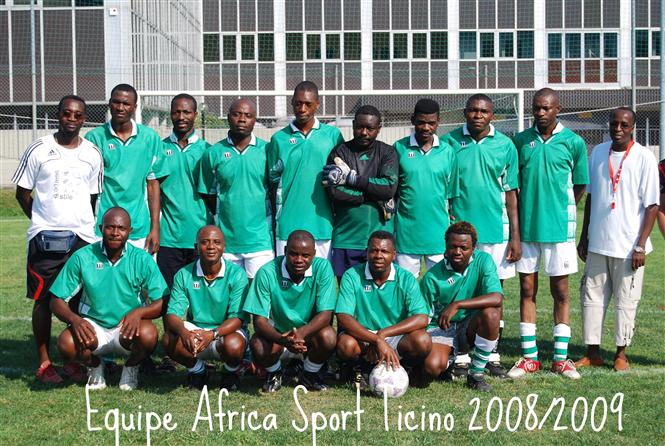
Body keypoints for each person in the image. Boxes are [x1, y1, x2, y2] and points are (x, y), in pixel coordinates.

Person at [11, 95, 103, 384]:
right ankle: (44, 361)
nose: (72, 120)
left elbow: (93, 197)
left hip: (82, 237)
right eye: (67, 114)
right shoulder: (39, 148)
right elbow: (22, 193)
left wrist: (78, 225)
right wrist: (41, 220)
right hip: (46, 238)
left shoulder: (92, 153)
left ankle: (72, 359)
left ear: (84, 118)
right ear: (58, 115)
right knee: (44, 300)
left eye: (78, 115)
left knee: (76, 301)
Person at [509, 88, 589, 380]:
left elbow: (580, 185)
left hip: (560, 231)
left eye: (545, 108)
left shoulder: (573, 142)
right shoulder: (520, 141)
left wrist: (560, 208)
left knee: (561, 292)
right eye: (536, 108)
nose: (540, 113)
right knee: (527, 290)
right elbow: (513, 189)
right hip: (527, 231)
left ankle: (560, 358)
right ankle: (529, 358)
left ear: (558, 109)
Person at [442, 94, 520, 378]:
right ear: (464, 113)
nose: (478, 115)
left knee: (494, 293)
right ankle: (460, 349)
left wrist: (515, 236)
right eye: (473, 110)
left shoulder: (505, 145)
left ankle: (491, 351)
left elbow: (511, 194)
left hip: (495, 232)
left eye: (483, 111)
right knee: (457, 290)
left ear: (492, 116)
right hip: (459, 236)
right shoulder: (450, 142)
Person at [49, 207, 169, 391]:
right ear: (100, 228)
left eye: (121, 228)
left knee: (148, 334)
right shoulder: (83, 256)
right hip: (94, 326)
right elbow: (56, 299)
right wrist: (75, 320)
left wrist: (139, 312)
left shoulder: (142, 259)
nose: (115, 233)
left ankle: (131, 367)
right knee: (66, 343)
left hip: (126, 328)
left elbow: (162, 300)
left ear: (130, 231)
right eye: (109, 227)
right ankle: (95, 365)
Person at [576, 107, 659, 371]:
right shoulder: (598, 152)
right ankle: (592, 352)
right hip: (598, 242)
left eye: (624, 124)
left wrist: (640, 244)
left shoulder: (644, 157)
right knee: (591, 298)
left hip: (628, 246)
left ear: (632, 126)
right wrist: (584, 236)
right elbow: (590, 198)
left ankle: (621, 353)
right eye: (614, 124)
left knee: (627, 301)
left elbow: (652, 206)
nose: (618, 129)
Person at [242, 230, 337, 393]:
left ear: (314, 254)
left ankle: (310, 374)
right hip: (278, 336)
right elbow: (259, 322)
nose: (299, 260)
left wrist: (300, 335)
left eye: (305, 255)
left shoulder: (323, 268)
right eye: (293, 254)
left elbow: (326, 314)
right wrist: (283, 340)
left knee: (328, 336)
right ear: (285, 251)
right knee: (257, 343)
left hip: (308, 337)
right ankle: (275, 372)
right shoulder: (267, 272)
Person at [335, 231, 431, 389]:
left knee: (423, 341)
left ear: (394, 254)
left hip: (394, 335)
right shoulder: (352, 275)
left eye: (384, 251)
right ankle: (360, 369)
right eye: (374, 250)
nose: (378, 255)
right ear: (366, 252)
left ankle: (405, 367)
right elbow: (343, 317)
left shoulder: (406, 278)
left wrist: (383, 334)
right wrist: (376, 340)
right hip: (363, 335)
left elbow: (422, 318)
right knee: (346, 344)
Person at [163, 225, 249, 390]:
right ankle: (198, 371)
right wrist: (183, 332)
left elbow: (238, 318)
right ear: (196, 247)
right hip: (197, 333)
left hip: (224, 332)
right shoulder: (183, 274)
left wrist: (213, 334)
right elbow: (172, 314)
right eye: (205, 242)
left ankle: (231, 373)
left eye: (216, 242)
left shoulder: (237, 274)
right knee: (169, 339)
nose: (211, 247)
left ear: (224, 247)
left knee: (234, 345)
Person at [420, 222, 503, 392]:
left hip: (470, 325)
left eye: (463, 247)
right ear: (446, 245)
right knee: (432, 367)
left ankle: (476, 374)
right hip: (442, 329)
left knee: (492, 313)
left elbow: (496, 297)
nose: (457, 252)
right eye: (453, 246)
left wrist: (457, 305)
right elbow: (423, 319)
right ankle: (448, 363)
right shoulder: (432, 277)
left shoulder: (483, 260)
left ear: (473, 248)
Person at [85, 83, 168, 252]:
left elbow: (153, 185)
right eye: (116, 102)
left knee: (138, 277)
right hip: (103, 227)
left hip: (139, 228)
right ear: (109, 104)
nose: (120, 107)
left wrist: (155, 228)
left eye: (126, 103)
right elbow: (87, 187)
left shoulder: (149, 138)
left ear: (134, 107)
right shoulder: (94, 138)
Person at [268, 81, 345, 260]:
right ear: (292, 103)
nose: (302, 108)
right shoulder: (279, 139)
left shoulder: (332, 136)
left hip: (323, 225)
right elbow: (272, 181)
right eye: (298, 103)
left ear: (317, 104)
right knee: (286, 279)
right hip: (287, 225)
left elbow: (342, 176)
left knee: (321, 280)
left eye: (308, 104)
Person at [199, 99, 273, 280]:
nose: (242, 119)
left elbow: (274, 189)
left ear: (255, 120)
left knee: (258, 295)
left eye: (248, 116)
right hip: (226, 241)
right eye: (237, 114)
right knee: (230, 296)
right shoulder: (213, 153)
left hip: (259, 240)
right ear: (228, 117)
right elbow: (207, 193)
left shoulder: (267, 150)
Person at [322, 105, 398, 278]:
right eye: (360, 127)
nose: (364, 132)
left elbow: (388, 188)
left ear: (379, 128)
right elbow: (335, 193)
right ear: (353, 124)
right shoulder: (339, 152)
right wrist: (373, 197)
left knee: (378, 297)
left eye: (370, 128)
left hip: (380, 243)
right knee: (348, 297)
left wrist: (353, 179)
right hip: (346, 238)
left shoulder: (387, 153)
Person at [393, 99, 459, 278]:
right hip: (406, 235)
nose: (426, 127)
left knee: (439, 290)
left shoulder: (448, 152)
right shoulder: (399, 148)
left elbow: (452, 195)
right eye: (421, 122)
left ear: (439, 122)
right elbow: (392, 192)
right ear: (413, 119)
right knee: (406, 289)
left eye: (431, 123)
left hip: (438, 235)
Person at [157, 93, 210, 288]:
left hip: (201, 238)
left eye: (186, 112)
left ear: (195, 114)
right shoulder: (159, 148)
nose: (181, 117)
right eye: (176, 112)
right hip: (169, 238)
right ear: (170, 114)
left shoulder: (207, 150)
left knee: (199, 299)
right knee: (168, 298)